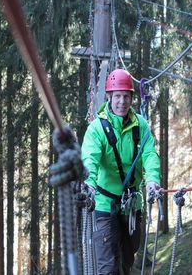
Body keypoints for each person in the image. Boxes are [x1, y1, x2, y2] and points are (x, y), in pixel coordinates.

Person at [81, 69, 161, 275]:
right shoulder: (97, 129)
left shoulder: (140, 126)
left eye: (126, 96)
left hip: (132, 205)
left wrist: (152, 179)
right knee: (108, 268)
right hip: (105, 204)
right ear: (109, 97)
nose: (122, 102)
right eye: (117, 96)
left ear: (132, 98)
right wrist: (88, 183)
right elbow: (90, 158)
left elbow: (150, 154)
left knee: (126, 262)